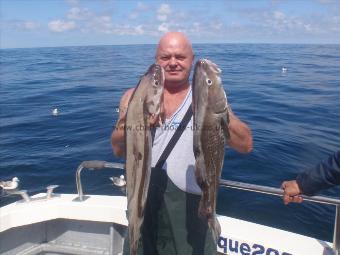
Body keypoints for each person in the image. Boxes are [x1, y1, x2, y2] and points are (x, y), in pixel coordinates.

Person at [111, 31, 253, 255]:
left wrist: (215, 110)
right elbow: (117, 149)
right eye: (165, 57)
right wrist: (134, 121)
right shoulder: (133, 96)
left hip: (191, 208)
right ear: (156, 60)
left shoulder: (205, 95)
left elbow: (245, 145)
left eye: (180, 57)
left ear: (192, 59)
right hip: (144, 201)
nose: (173, 63)